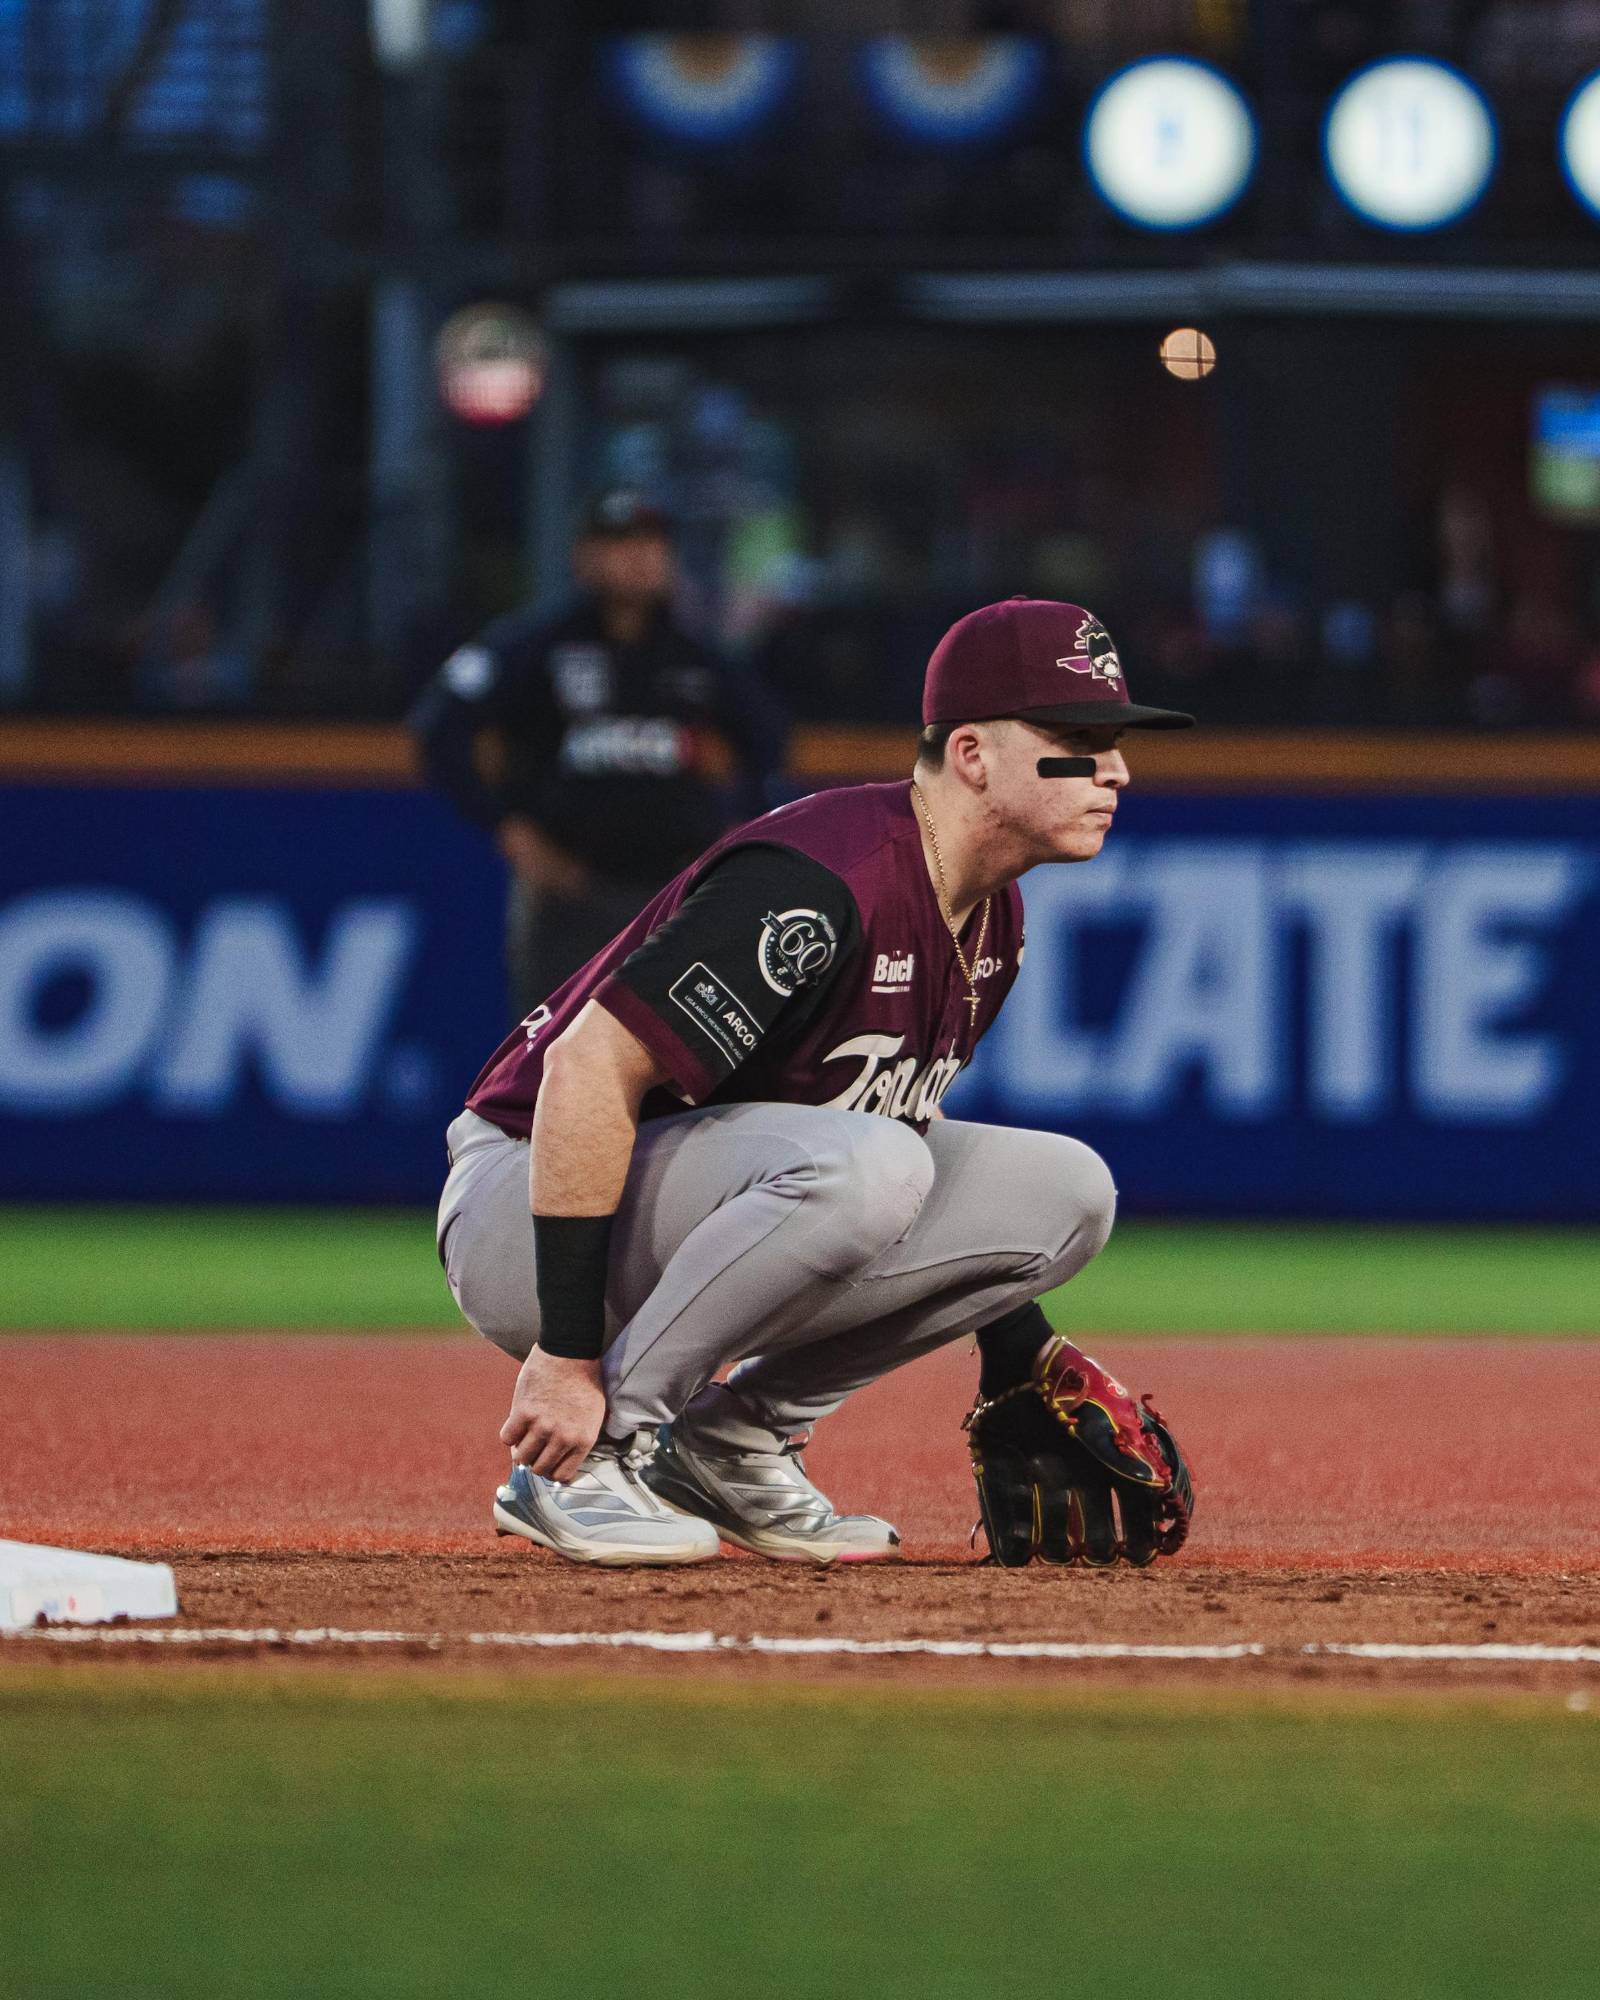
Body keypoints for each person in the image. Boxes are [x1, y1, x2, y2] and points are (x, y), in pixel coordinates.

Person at [435, 597, 1195, 1567]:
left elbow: (883, 1133)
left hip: (679, 1195)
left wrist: (1012, 1335)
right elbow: (584, 1072)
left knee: (1067, 1192)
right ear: (971, 755)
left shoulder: (992, 921)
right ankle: (590, 1452)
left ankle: (729, 1440)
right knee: (873, 1165)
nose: (1115, 768)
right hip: (527, 1202)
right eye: (1079, 740)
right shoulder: (820, 879)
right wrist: (567, 1357)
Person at [409, 489, 785, 1021]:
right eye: (620, 542)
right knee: (552, 1063)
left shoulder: (697, 656)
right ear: (583, 556)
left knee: (680, 1075)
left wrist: (738, 825)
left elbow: (768, 738)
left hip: (675, 898)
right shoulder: (538, 646)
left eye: (652, 542)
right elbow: (440, 728)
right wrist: (506, 825)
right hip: (570, 894)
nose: (638, 556)